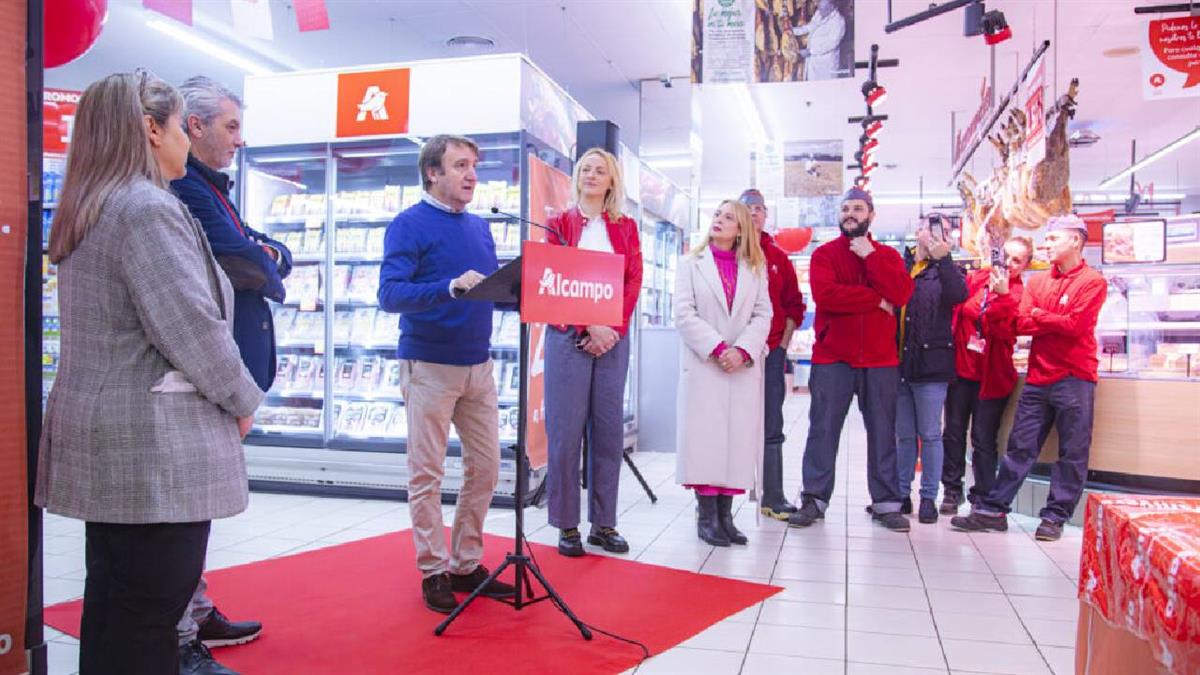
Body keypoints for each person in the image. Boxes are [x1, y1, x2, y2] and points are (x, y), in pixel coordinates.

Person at [36, 70, 263, 675]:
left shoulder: (93, 203)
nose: (190, 140)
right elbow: (191, 327)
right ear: (150, 128)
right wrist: (244, 398)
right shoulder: (145, 209)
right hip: (153, 451)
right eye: (180, 126)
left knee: (116, 608)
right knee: (149, 616)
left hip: (110, 441)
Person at [377, 134, 517, 613]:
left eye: (474, 165)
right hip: (430, 365)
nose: (472, 174)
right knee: (427, 474)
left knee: (488, 468)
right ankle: (433, 570)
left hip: (480, 365)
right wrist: (448, 287)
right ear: (432, 173)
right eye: (460, 165)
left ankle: (465, 563)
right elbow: (390, 294)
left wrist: (521, 291)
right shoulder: (407, 224)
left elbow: (494, 289)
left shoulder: (480, 227)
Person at [171, 75, 283, 675]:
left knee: (203, 504)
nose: (240, 140)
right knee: (190, 504)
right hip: (211, 376)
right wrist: (266, 264)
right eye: (231, 126)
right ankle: (183, 629)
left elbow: (259, 251)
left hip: (230, 369)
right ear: (192, 127)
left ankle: (196, 608)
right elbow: (241, 259)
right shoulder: (183, 187)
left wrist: (266, 260)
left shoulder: (213, 187)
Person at [951, 216, 1108, 541]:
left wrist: (1039, 316)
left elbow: (1076, 327)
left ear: (1075, 241)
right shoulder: (1037, 283)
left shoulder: (1093, 282)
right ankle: (993, 511)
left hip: (1076, 377)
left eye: (1053, 239)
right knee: (1019, 447)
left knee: (1072, 452)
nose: (1047, 245)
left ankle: (1054, 517)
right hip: (1038, 376)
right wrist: (1048, 319)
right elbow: (1020, 324)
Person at [789, 188, 915, 532]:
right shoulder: (825, 255)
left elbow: (902, 294)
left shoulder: (887, 255)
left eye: (858, 208)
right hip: (833, 358)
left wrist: (871, 257)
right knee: (823, 430)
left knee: (882, 432)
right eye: (845, 208)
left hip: (880, 361)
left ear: (871, 215)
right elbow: (827, 296)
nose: (850, 213)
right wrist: (876, 299)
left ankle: (886, 503)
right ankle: (814, 499)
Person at [542, 148, 643, 557]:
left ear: (611, 181)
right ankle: (567, 525)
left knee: (607, 432)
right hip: (568, 336)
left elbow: (633, 280)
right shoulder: (558, 224)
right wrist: (588, 326)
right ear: (577, 176)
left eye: (600, 171)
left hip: (612, 340)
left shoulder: (626, 228)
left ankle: (604, 522)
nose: (592, 175)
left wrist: (611, 330)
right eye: (586, 169)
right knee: (565, 433)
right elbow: (551, 279)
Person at [674, 200, 773, 546]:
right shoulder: (690, 264)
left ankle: (726, 516)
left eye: (728, 217)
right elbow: (684, 314)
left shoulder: (755, 269)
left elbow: (764, 315)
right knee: (706, 440)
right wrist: (719, 348)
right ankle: (706, 516)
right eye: (717, 215)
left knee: (736, 440)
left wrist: (743, 350)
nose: (719, 220)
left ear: (742, 228)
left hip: (741, 368)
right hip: (706, 365)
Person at [940, 237, 1032, 515]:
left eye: (1018, 260)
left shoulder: (1018, 293)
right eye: (1007, 256)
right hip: (961, 368)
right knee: (953, 432)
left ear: (1026, 265)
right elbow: (957, 311)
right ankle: (951, 490)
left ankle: (982, 495)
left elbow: (1006, 330)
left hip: (992, 375)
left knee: (983, 438)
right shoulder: (975, 279)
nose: (1010, 264)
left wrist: (1002, 295)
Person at [737, 189, 807, 520]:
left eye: (759, 209)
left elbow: (795, 305)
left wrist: (782, 345)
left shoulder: (778, 258)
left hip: (771, 351)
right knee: (725, 423)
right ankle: (711, 500)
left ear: (766, 216)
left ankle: (772, 495)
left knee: (771, 422)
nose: (753, 213)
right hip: (729, 354)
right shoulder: (724, 251)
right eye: (747, 208)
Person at [894, 215, 968, 524]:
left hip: (932, 364)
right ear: (917, 231)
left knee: (930, 434)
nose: (937, 236)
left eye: (945, 232)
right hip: (898, 362)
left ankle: (927, 498)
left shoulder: (947, 270)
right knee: (904, 435)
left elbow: (958, 297)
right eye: (931, 229)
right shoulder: (901, 264)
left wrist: (945, 261)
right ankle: (900, 495)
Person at [791, 0, 848, 81]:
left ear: (832, 7)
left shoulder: (838, 21)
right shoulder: (820, 13)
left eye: (822, 9)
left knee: (825, 88)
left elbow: (830, 44)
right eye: (819, 8)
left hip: (826, 64)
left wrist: (810, 51)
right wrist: (793, 31)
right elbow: (809, 27)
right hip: (813, 60)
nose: (819, 11)